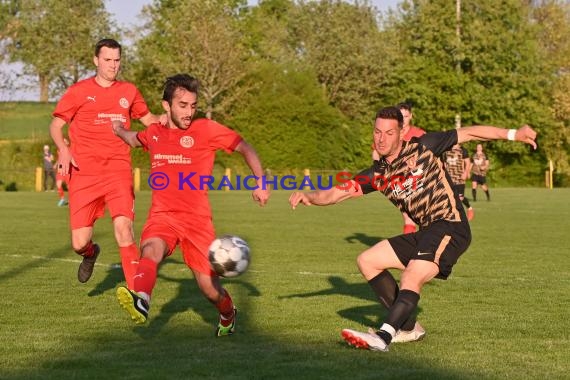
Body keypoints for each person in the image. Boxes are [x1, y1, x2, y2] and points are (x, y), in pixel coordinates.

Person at [289, 106, 537, 352]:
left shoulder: (424, 146)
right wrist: (308, 197)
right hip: (427, 232)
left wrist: (514, 134)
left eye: (388, 132)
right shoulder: (376, 174)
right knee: (368, 260)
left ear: (400, 133)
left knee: (411, 275)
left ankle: (383, 337)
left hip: (451, 226)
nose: (381, 138)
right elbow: (334, 194)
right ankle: (408, 328)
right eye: (377, 132)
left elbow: (470, 133)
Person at [112, 74, 270, 335]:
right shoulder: (154, 133)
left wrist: (261, 182)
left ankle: (228, 314)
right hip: (163, 217)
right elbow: (133, 139)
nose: (189, 112)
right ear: (166, 106)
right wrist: (118, 129)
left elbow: (244, 147)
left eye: (193, 106)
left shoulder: (205, 129)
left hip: (197, 222)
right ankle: (142, 299)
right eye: (182, 105)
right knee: (150, 249)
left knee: (209, 289)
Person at [49, 38, 162, 287]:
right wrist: (64, 149)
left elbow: (149, 120)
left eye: (117, 60)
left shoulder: (129, 91)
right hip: (84, 174)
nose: (113, 65)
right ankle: (91, 254)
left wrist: (169, 118)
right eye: (108, 60)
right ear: (96, 60)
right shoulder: (78, 91)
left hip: (118, 170)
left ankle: (138, 295)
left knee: (124, 230)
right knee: (79, 243)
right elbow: (56, 125)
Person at [373, 102, 425, 234]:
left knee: (425, 221)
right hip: (400, 182)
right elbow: (376, 152)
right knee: (408, 219)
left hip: (421, 182)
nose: (404, 119)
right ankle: (413, 250)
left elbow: (429, 154)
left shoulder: (419, 134)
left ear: (411, 116)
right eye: (401, 116)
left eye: (406, 116)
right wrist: (378, 170)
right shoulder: (390, 134)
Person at [443, 143, 474, 221]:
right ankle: (453, 216)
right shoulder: (446, 150)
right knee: (449, 197)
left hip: (460, 177)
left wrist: (466, 172)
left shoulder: (463, 150)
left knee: (460, 197)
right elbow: (444, 164)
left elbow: (468, 162)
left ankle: (469, 208)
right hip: (449, 178)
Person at [55, 138, 70, 207]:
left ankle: (74, 199)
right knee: (58, 184)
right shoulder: (59, 150)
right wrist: (56, 164)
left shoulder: (70, 150)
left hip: (67, 170)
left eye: (65, 141)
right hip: (60, 170)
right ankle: (62, 199)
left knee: (69, 187)